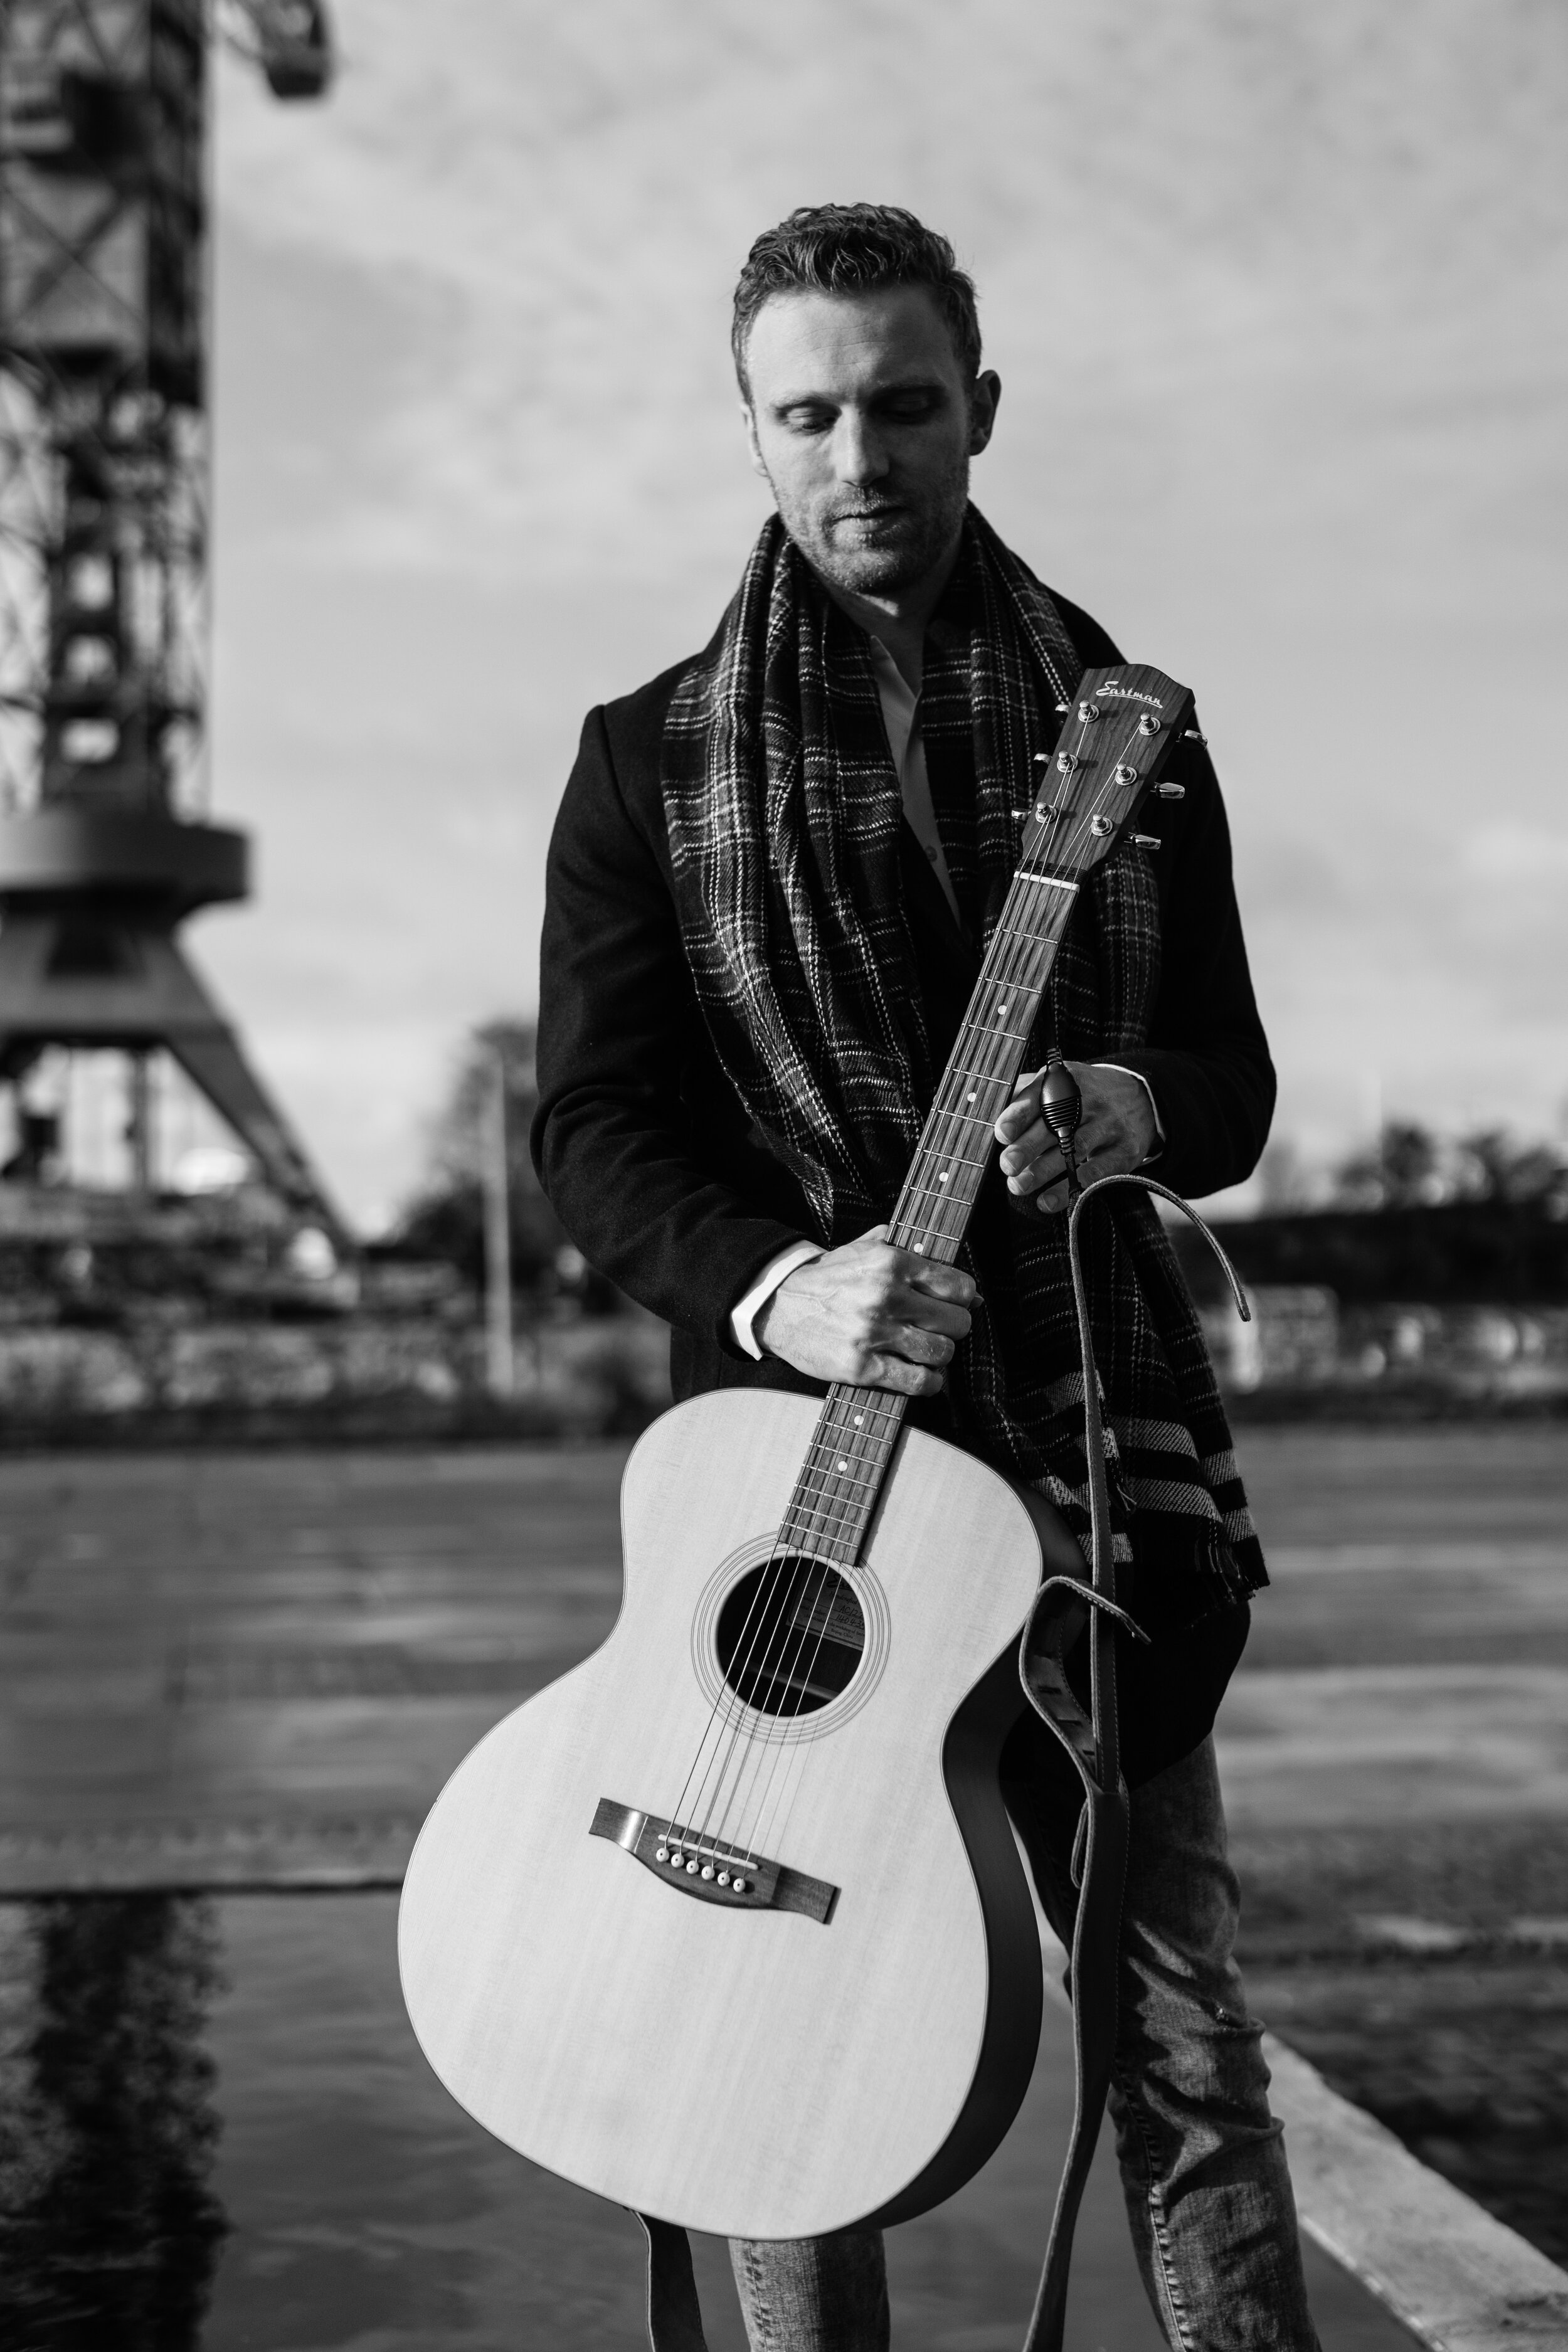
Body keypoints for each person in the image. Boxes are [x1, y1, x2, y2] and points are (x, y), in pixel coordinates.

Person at [532, 204, 1320, 2352]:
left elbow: (1230, 1077)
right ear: (751, 433)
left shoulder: (1128, 729)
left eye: (898, 402)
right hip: (799, 1488)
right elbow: (590, 1127)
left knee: (1173, 2026)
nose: (856, 453)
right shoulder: (645, 758)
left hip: (1088, 1468)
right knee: (769, 2029)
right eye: (806, 414)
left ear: (977, 407)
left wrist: (1130, 1111)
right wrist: (778, 1288)